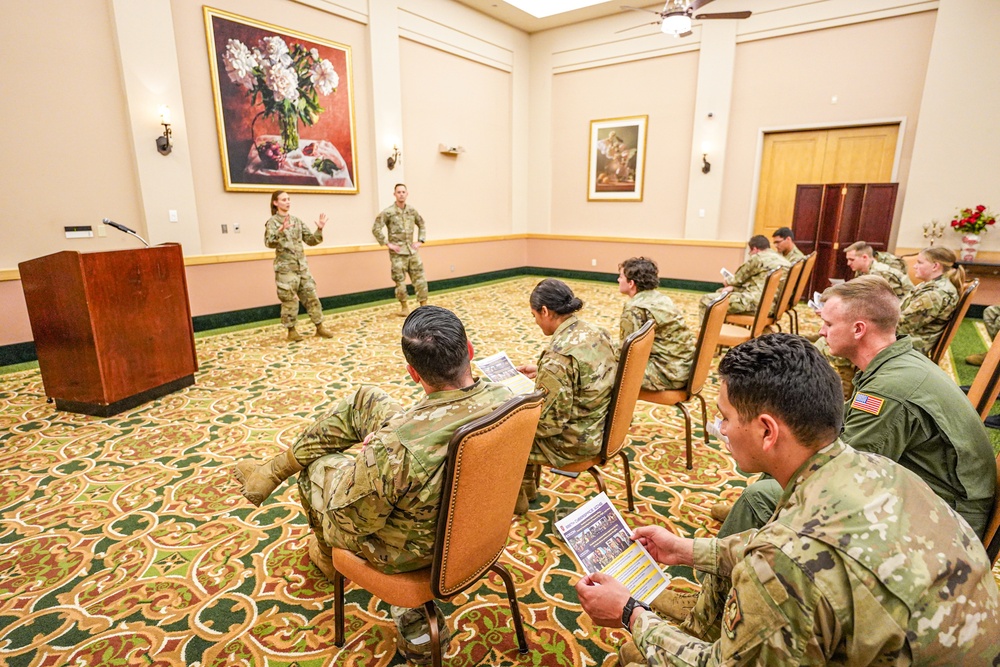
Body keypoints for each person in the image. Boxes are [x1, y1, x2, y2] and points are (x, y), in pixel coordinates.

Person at [576, 334, 1000, 666]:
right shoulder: (869, 467)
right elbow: (795, 543)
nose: (721, 430)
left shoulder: (781, 565)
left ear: (767, 430)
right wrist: (688, 550)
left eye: (725, 417)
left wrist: (630, 613)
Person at [231, 306, 512, 663]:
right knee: (366, 399)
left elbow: (353, 520)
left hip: (415, 551)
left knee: (316, 469)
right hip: (482, 524)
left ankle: (331, 559)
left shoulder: (397, 446)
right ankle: (271, 469)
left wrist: (367, 463)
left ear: (413, 373)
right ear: (469, 350)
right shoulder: (511, 400)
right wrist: (383, 451)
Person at [716, 276, 996, 540]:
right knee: (783, 451)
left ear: (858, 329)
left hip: (948, 520)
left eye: (828, 323)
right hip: (930, 491)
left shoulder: (889, 390)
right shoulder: (895, 363)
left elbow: (842, 473)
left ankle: (740, 542)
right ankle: (758, 517)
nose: (821, 331)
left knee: (763, 491)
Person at [514, 279, 616, 514]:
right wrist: (543, 374)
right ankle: (526, 489)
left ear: (545, 311)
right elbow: (588, 375)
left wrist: (511, 414)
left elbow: (549, 426)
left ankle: (515, 501)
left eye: (535, 316)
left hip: (575, 443)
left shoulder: (558, 356)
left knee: (505, 434)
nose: (536, 322)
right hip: (602, 426)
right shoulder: (597, 332)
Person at [264, 190, 334, 342]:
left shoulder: (296, 220)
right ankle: (292, 331)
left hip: (302, 268)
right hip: (285, 270)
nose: (287, 202)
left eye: (289, 199)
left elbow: (311, 240)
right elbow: (269, 243)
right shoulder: (272, 222)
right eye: (284, 200)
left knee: (312, 296)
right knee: (289, 300)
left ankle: (320, 327)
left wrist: (320, 229)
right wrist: (280, 232)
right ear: (276, 203)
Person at [617, 257, 694, 391]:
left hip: (668, 374)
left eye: (621, 276)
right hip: (686, 369)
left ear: (631, 283)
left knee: (603, 368)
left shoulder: (634, 308)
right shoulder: (662, 298)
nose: (618, 280)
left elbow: (628, 353)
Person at [372, 183, 428, 317]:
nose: (401, 194)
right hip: (398, 253)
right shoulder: (388, 212)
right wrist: (387, 243)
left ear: (407, 194)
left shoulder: (412, 211)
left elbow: (421, 224)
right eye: (399, 192)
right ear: (394, 194)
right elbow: (376, 228)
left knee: (420, 279)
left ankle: (424, 306)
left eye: (403, 192)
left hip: (412, 251)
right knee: (399, 281)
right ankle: (404, 307)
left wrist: (420, 240)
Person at [699, 235, 789, 317]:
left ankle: (707, 334)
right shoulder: (784, 261)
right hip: (773, 304)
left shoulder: (758, 258)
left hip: (758, 305)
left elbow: (737, 280)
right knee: (723, 293)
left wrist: (727, 281)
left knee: (708, 301)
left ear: (754, 249)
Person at [897, 246, 963, 357]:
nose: (914, 266)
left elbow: (901, 326)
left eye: (920, 262)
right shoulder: (932, 285)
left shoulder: (934, 294)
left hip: (909, 346)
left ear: (935, 266)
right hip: (907, 339)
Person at [844, 240, 913, 298]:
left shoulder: (881, 273)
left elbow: (884, 299)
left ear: (864, 257)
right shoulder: (861, 271)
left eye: (851, 260)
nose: (848, 263)